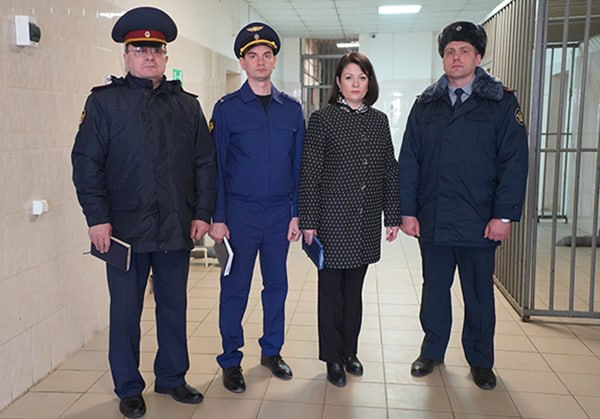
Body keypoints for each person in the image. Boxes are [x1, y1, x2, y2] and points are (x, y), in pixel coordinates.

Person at [71, 7, 216, 418]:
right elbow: (86, 163)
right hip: (123, 229)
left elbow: (205, 163)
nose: (148, 56)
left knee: (173, 307)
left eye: (156, 50)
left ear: (166, 57)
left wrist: (202, 212)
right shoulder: (104, 104)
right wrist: (97, 218)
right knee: (125, 312)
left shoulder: (186, 107)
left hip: (175, 226)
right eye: (139, 49)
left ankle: (171, 377)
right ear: (126, 56)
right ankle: (128, 387)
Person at [398, 21, 529, 390]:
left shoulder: (501, 103)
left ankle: (481, 360)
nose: (456, 58)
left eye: (464, 51)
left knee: (479, 294)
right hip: (434, 218)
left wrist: (503, 216)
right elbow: (409, 160)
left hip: (479, 220)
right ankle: (432, 350)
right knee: (434, 290)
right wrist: (407, 211)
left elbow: (514, 162)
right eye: (450, 52)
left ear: (478, 57)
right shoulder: (426, 104)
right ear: (443, 58)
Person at [208, 22, 305, 393]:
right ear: (243, 62)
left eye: (266, 55)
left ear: (275, 61)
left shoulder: (291, 110)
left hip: (279, 213)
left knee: (276, 285)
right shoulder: (227, 109)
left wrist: (296, 212)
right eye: (253, 56)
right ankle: (231, 359)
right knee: (234, 288)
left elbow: (298, 166)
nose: (260, 61)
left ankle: (271, 351)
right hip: (239, 215)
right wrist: (218, 218)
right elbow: (216, 167)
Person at [299, 52, 401, 387]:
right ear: (338, 83)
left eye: (362, 77)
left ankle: (349, 352)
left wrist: (392, 215)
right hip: (330, 222)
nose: (355, 84)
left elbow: (389, 170)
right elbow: (310, 173)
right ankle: (332, 357)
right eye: (348, 77)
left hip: (365, 222)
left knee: (354, 293)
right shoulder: (323, 119)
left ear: (369, 83)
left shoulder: (379, 120)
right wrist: (308, 220)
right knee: (331, 294)